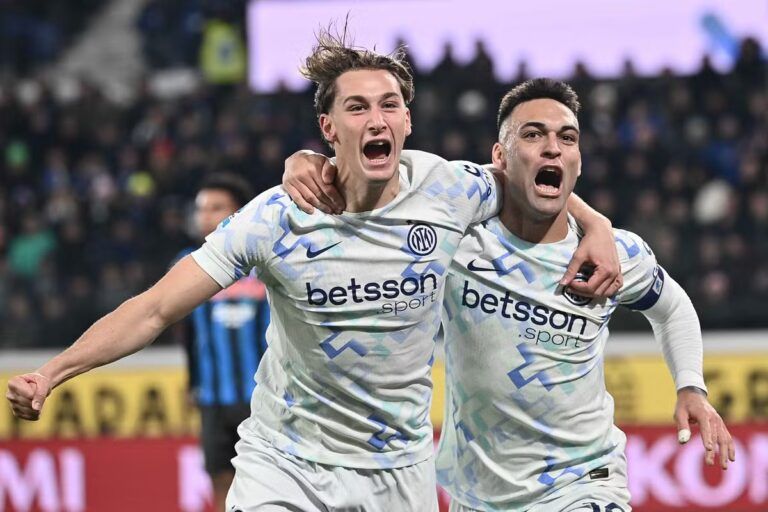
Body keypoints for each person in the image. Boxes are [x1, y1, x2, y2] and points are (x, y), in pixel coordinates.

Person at [6, 30, 619, 512]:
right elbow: (156, 307)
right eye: (358, 108)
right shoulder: (276, 218)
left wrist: (595, 228)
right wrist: (54, 372)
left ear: (407, 122)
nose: (378, 119)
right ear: (329, 129)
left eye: (391, 105)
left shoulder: (449, 190)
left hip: (397, 471)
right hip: (287, 462)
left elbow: (535, 177)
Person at [283, 79, 735, 511]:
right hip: (477, 495)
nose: (553, 147)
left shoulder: (614, 254)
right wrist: (308, 159)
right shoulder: (454, 239)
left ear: (578, 159)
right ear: (499, 156)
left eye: (567, 138)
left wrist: (691, 385)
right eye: (534, 134)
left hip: (583, 483)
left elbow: (671, 307)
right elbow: (376, 178)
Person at [175, 173, 270, 511]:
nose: (206, 216)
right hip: (213, 396)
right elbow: (188, 333)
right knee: (219, 479)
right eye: (202, 209)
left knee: (266, 482)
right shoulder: (186, 264)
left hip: (262, 395)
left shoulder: (263, 261)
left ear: (237, 213)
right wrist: (192, 382)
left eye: (216, 208)